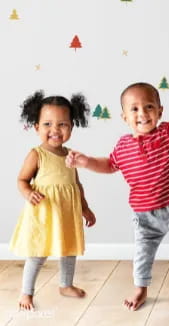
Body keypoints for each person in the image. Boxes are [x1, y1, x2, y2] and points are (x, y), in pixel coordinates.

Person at [66, 73, 169, 311]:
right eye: (134, 109)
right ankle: (141, 290)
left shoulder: (167, 133)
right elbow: (109, 165)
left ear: (160, 111)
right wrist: (85, 162)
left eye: (149, 107)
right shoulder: (123, 146)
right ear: (124, 117)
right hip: (145, 215)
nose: (142, 114)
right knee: (142, 257)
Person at [10, 91, 96, 311]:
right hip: (44, 214)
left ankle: (65, 285)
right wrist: (28, 193)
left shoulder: (70, 155)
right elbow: (22, 180)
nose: (55, 130)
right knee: (38, 254)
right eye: (47, 123)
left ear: (71, 127)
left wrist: (85, 209)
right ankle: (26, 292)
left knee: (69, 250)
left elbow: (76, 185)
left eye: (62, 124)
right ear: (36, 126)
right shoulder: (37, 154)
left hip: (66, 213)